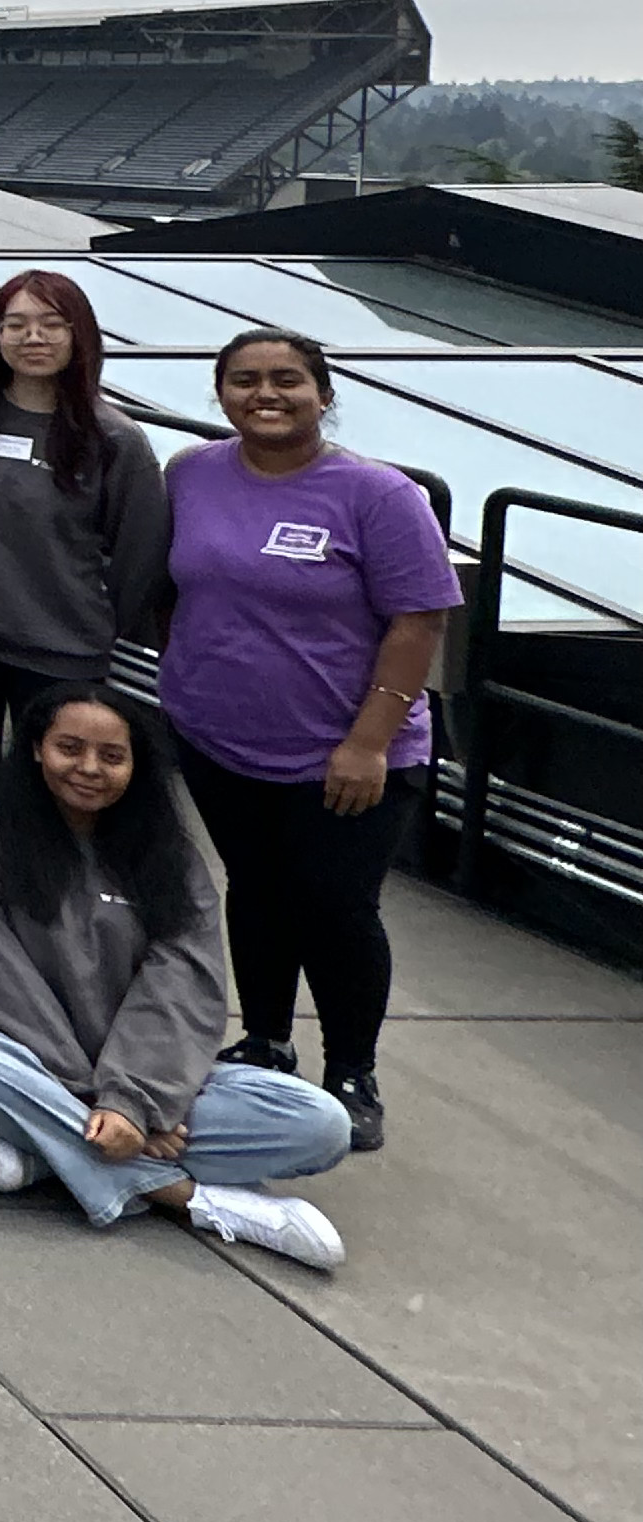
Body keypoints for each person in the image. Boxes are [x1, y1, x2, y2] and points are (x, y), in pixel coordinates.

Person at [155, 331, 460, 1155]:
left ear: (324, 394)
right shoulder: (192, 473)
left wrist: (367, 741)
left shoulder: (377, 495)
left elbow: (418, 621)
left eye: (288, 380)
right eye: (244, 379)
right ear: (220, 394)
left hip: (345, 755)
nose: (267, 394)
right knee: (254, 889)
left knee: (335, 909)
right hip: (219, 739)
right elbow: (170, 586)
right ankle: (264, 1042)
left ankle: (352, 1072)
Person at [0, 688, 353, 1265]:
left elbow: (184, 983)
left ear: (137, 766)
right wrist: (103, 1103)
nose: (88, 769)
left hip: (147, 1085)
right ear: (34, 750)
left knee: (323, 1123)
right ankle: (196, 1200)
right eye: (69, 749)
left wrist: (134, 1100)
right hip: (31, 1068)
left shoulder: (170, 857)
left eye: (111, 756)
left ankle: (42, 1149)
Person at [0, 270, 168, 844]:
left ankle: (43, 900)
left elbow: (138, 554)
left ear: (80, 337)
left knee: (57, 785)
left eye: (52, 324)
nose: (34, 337)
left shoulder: (114, 439)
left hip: (61, 649)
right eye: (16, 324)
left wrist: (94, 624)